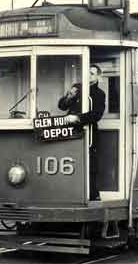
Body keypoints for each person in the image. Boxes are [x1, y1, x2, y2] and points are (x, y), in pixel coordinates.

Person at [58, 64, 105, 201]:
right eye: (87, 72)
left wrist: (78, 118)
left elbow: (97, 114)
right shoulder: (77, 88)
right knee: (69, 162)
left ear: (98, 76)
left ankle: (92, 194)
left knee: (90, 165)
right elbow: (62, 106)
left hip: (89, 134)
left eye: (92, 73)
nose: (89, 75)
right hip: (70, 132)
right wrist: (69, 97)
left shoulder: (99, 94)